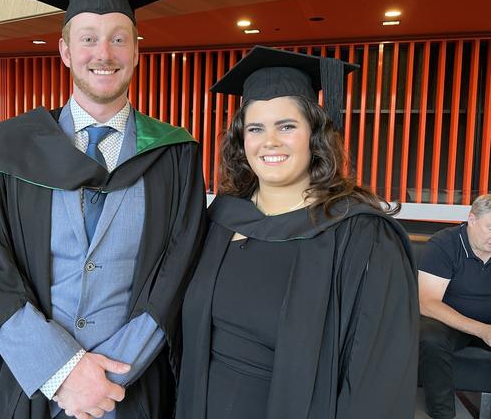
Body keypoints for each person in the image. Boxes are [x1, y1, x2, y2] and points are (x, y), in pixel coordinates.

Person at [0, 0, 206, 419]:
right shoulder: (8, 150)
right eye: (89, 38)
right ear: (66, 52)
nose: (104, 53)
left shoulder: (176, 154)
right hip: (31, 384)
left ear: (136, 50)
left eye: (118, 38)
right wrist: (62, 371)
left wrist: (107, 378)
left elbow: (177, 272)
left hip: (129, 389)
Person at [176, 46, 419, 419]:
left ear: (315, 135)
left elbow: (379, 377)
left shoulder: (360, 235)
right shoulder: (219, 221)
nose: (269, 141)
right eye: (256, 128)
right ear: (242, 142)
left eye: (286, 126)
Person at [418, 194, 491, 419]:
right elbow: (427, 303)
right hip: (449, 321)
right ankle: (443, 414)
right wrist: (481, 329)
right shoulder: (444, 244)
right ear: (471, 220)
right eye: (490, 228)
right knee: (430, 336)